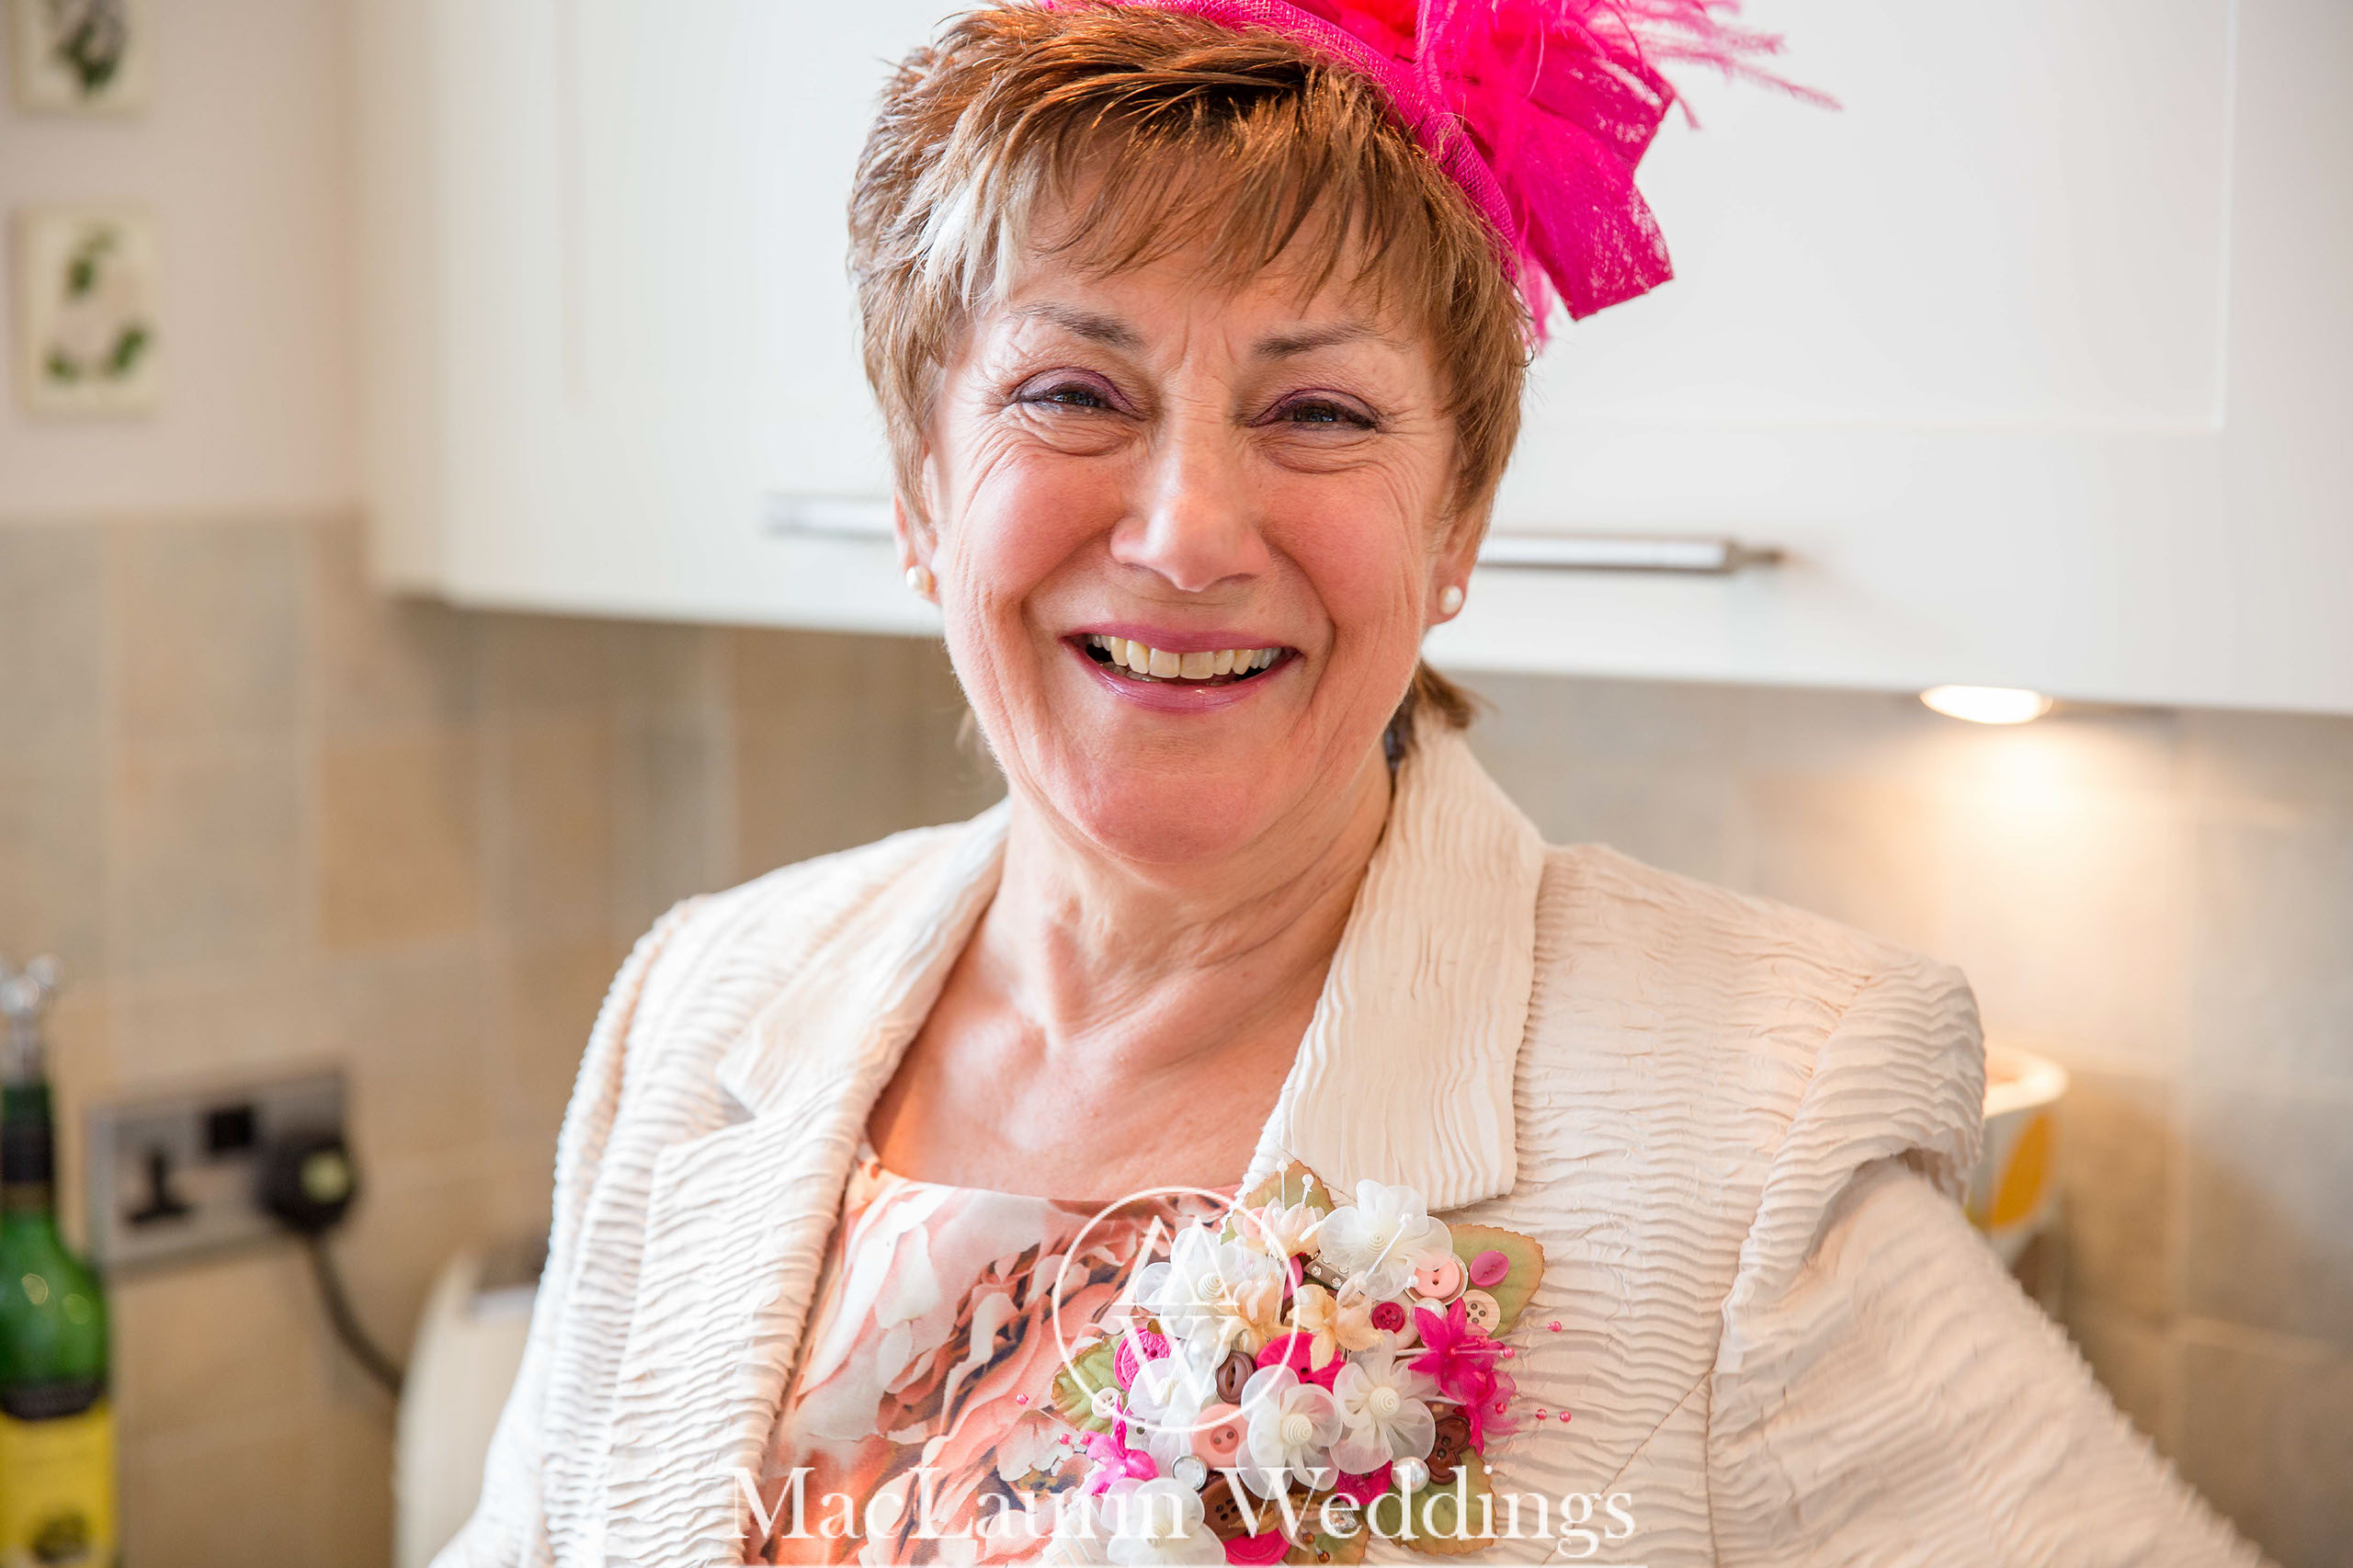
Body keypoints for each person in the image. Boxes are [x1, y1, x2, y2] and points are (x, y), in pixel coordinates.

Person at [438, 3, 2266, 1564]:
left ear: (1454, 520)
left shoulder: (1747, 1129)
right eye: (1073, 392)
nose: (1180, 535)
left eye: (1314, 412)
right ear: (920, 490)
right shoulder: (703, 1005)